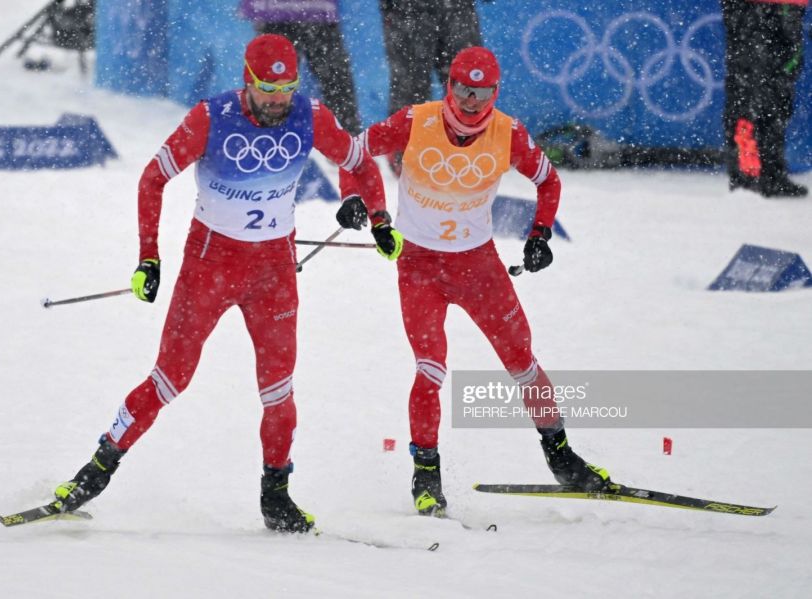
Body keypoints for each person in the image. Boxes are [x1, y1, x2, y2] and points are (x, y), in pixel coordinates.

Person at [50, 34, 392, 533]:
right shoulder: (211, 118)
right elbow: (152, 178)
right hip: (209, 266)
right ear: (247, 81)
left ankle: (276, 496)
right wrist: (149, 258)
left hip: (274, 272)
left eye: (287, 88)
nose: (278, 99)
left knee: (278, 390)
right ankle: (95, 471)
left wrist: (374, 214)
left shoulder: (310, 116)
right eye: (268, 88)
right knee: (170, 379)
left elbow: (358, 162)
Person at [342, 46, 610, 516]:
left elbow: (549, 181)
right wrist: (364, 207)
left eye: (482, 93)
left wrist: (541, 234)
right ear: (450, 86)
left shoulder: (509, 133)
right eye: (464, 89)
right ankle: (426, 474)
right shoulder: (416, 120)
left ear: (495, 93)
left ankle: (562, 457)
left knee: (522, 361)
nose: (471, 101)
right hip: (420, 268)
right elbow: (354, 155)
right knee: (430, 369)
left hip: (478, 268)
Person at [379, 0, 483, 175]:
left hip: (458, 8)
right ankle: (407, 153)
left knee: (469, 82)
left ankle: (470, 151)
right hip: (407, 8)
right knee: (410, 86)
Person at [721, 0, 808, 197]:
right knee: (750, 93)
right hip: (753, 7)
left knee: (778, 96)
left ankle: (771, 173)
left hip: (789, 8)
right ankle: (749, 175)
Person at [240, 0, 363, 135]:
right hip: (296, 12)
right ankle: (262, 136)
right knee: (270, 82)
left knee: (269, 83)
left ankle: (261, 135)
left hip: (289, 11)